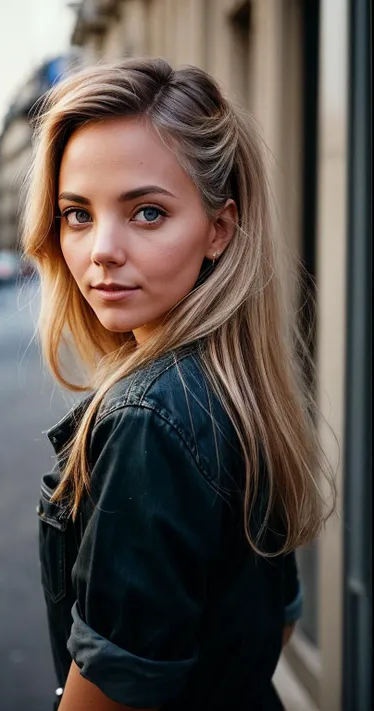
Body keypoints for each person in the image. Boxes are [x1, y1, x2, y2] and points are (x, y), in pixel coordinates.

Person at [22, 57, 334, 711]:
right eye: (77, 214)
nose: (101, 248)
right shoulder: (245, 389)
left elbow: (114, 693)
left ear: (219, 228)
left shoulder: (149, 420)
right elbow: (278, 620)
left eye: (147, 213)